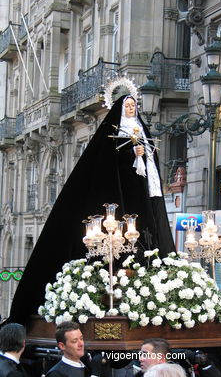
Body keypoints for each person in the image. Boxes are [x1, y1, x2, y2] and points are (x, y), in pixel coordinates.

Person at [8, 94, 175, 325]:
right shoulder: (113, 132)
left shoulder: (142, 131)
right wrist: (129, 153)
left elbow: (151, 164)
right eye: (126, 106)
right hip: (120, 194)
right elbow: (108, 163)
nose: (130, 108)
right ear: (119, 109)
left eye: (133, 106)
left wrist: (144, 155)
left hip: (141, 194)